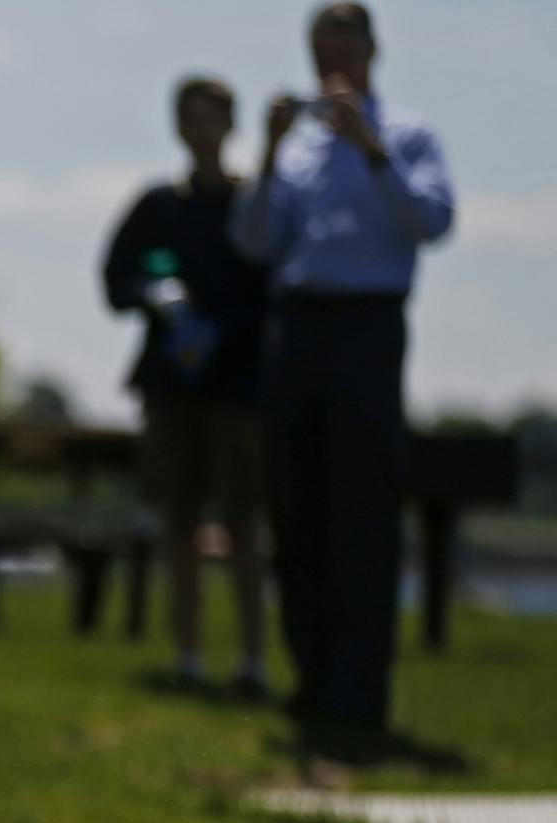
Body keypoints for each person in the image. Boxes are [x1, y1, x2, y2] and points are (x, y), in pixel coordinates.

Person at [231, 2, 453, 733]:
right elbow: (255, 241)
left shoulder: (409, 135)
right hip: (297, 328)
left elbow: (433, 221)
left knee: (363, 508)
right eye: (321, 56)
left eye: (343, 54)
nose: (332, 70)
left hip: (367, 329)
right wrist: (267, 153)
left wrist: (372, 151)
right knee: (296, 505)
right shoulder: (296, 150)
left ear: (372, 53)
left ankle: (360, 693)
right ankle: (312, 678)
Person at [102, 76, 273, 696]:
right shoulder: (158, 206)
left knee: (243, 524)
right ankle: (189, 656)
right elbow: (116, 280)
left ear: (230, 126)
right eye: (190, 118)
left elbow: (270, 286)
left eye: (211, 117)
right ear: (177, 127)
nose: (200, 129)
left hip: (237, 388)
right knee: (178, 521)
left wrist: (222, 329)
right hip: (172, 386)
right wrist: (153, 296)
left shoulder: (250, 207)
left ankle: (252, 662)